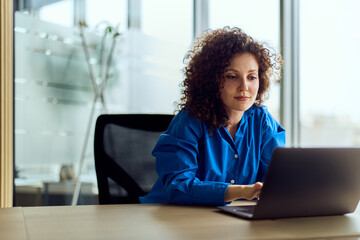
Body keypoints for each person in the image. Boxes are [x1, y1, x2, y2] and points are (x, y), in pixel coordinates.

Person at [140, 27, 285, 206]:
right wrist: (242, 191)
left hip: (231, 220)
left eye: (252, 77)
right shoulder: (189, 122)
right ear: (212, 80)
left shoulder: (262, 121)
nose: (244, 86)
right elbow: (178, 186)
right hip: (172, 219)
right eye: (232, 76)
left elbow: (276, 179)